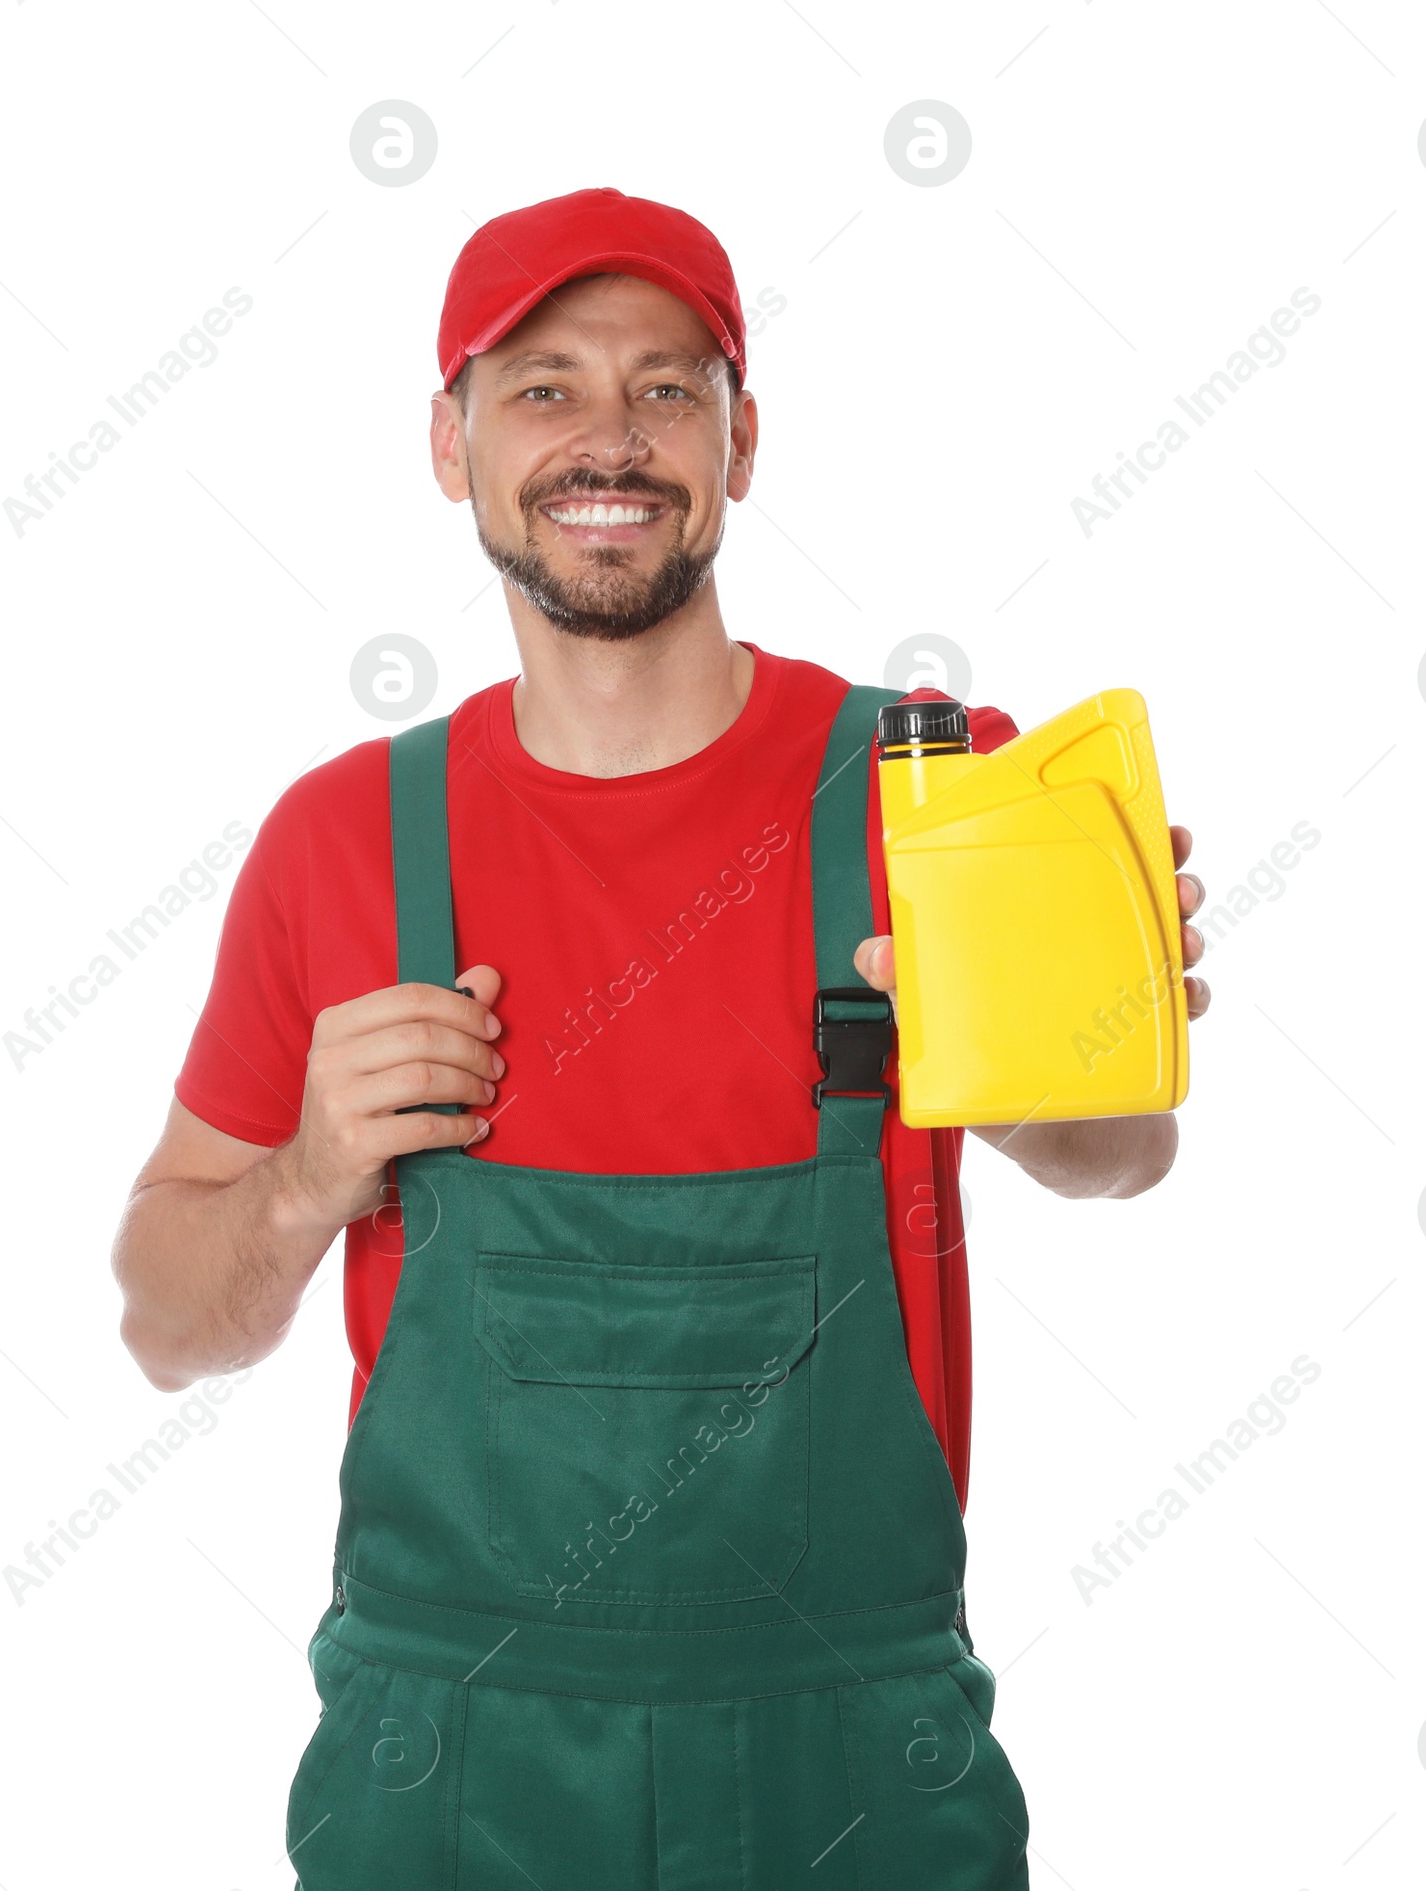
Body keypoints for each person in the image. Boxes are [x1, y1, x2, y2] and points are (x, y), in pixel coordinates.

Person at [112, 187, 1209, 1890]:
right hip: (447, 1770)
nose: (605, 438)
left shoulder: (932, 789)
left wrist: (1043, 1031)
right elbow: (165, 1327)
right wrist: (307, 1179)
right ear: (448, 439)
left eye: (666, 388)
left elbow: (1126, 1159)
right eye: (543, 387)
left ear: (741, 441)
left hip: (857, 1770)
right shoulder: (343, 841)